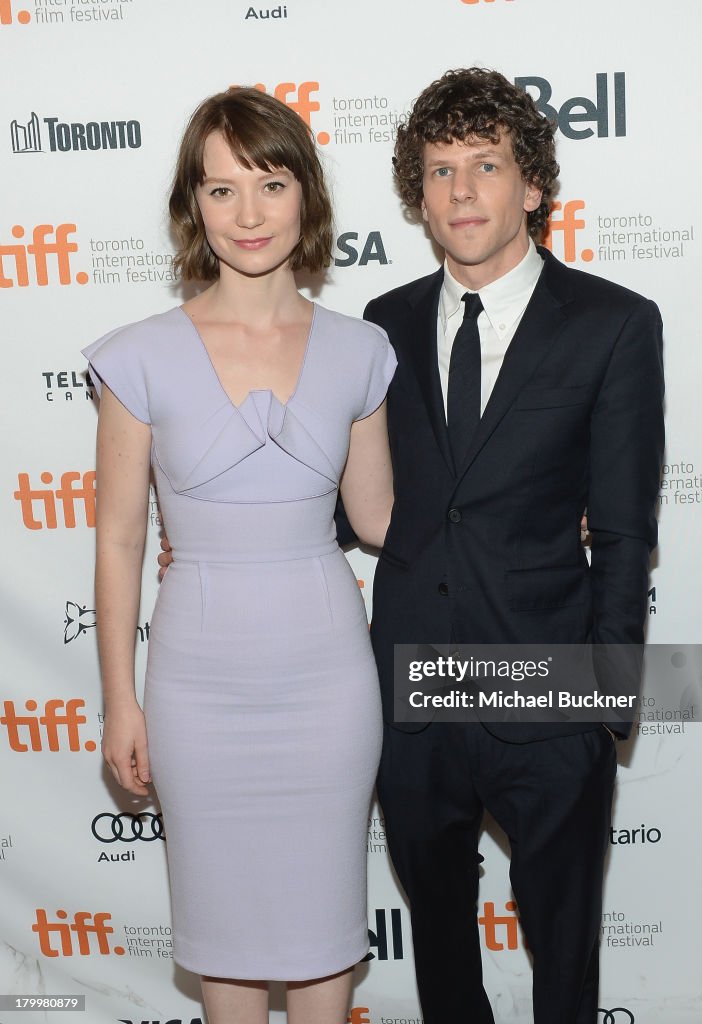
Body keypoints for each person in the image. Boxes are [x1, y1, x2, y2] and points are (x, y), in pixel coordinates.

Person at [85, 87, 395, 1024]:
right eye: (221, 191)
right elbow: (119, 537)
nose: (249, 214)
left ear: (307, 194)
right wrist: (120, 700)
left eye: (270, 182)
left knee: (322, 936)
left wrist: (541, 517)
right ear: (193, 206)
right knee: (223, 938)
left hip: (327, 679)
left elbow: (381, 518)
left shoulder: (362, 349)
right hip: (197, 684)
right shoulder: (137, 356)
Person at [361, 68, 665, 1023]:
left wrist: (604, 702)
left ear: (531, 184)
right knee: (444, 961)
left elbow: (622, 533)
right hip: (414, 693)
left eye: (485, 165)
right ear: (418, 192)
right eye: (440, 169)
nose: (460, 192)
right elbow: (369, 502)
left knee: (564, 965)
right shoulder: (385, 325)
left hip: (548, 690)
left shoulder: (614, 324)